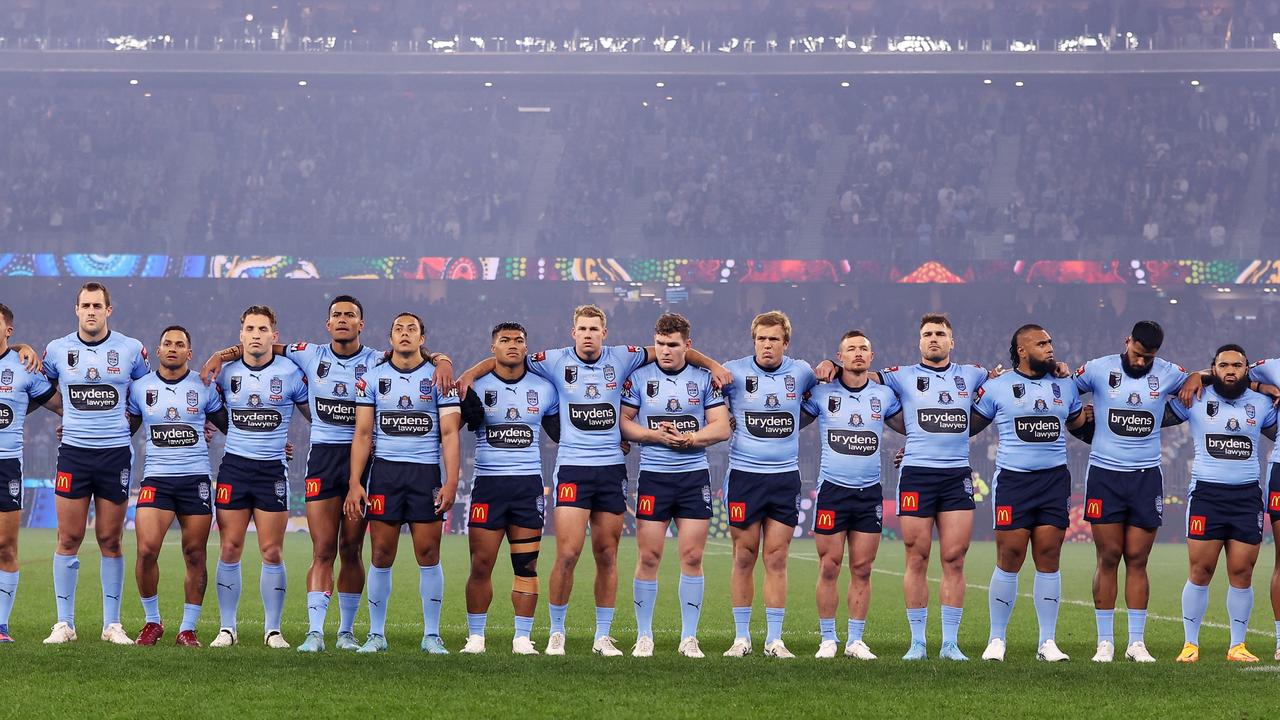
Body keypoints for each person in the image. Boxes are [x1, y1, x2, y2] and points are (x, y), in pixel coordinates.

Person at [456, 304, 727, 656]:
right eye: (582, 329)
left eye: (594, 329)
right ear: (573, 333)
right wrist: (467, 374)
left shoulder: (624, 357)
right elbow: (507, 358)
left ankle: (603, 635)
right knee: (567, 553)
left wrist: (714, 365)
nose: (588, 334)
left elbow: (673, 348)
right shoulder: (552, 360)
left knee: (607, 555)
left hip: (611, 469)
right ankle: (557, 633)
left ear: (604, 333)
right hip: (572, 469)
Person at [201, 294, 454, 652]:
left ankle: (346, 632)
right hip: (322, 459)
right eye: (336, 315)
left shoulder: (376, 360)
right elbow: (263, 343)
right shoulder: (309, 354)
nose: (343, 320)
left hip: (363, 461)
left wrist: (441, 359)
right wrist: (221, 355)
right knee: (323, 549)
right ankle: (315, 632)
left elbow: (411, 351)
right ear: (327, 323)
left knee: (351, 548)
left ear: (361, 325)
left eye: (350, 315)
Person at [344, 312, 461, 654]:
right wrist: (355, 481)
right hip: (386, 474)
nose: (405, 333)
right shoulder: (372, 377)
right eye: (399, 329)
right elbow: (363, 433)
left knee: (428, 553)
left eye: (412, 329)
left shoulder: (439, 379)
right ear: (390, 338)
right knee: (381, 553)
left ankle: (432, 634)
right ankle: (376, 635)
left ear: (422, 338)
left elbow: (450, 433)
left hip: (424, 474)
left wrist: (452, 481)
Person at [1072, 320, 1188, 662]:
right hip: (1105, 475)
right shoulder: (1097, 369)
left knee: (1138, 559)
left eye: (1147, 358)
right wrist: (1079, 414)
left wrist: (1197, 377)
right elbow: (1061, 390)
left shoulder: (1169, 372)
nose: (1140, 362)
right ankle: (1104, 642)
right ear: (1127, 342)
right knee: (1108, 557)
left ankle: (1136, 642)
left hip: (1145, 476)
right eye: (1136, 354)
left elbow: (1200, 384)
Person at [970, 324, 1087, 662]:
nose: (1050, 348)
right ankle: (996, 639)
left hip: (1053, 481)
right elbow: (966, 426)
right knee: (1010, 557)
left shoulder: (1065, 385)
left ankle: (1047, 642)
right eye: (1041, 343)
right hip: (1013, 482)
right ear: (1022, 350)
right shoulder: (997, 387)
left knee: (1049, 557)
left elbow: (1081, 426)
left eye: (1050, 341)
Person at [41, 282, 149, 645]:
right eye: (85, 305)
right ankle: (64, 624)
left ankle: (112, 625)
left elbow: (147, 397)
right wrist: (68, 414)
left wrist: (124, 429)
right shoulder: (57, 350)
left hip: (115, 454)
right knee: (68, 537)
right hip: (73, 453)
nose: (91, 311)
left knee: (110, 539)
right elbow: (43, 389)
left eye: (97, 305)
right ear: (76, 310)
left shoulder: (131, 350)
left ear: (108, 310)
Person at [619, 313, 730, 658]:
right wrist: (653, 436)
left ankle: (688, 638)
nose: (665, 351)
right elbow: (623, 422)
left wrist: (692, 438)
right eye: (661, 344)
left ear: (687, 346)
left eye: (673, 345)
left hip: (693, 477)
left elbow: (722, 427)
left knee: (693, 556)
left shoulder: (703, 379)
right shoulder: (639, 377)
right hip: (653, 477)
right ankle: (644, 636)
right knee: (649, 556)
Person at [1168, 344, 1277, 663]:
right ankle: (1190, 644)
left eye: (1238, 365)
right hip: (1206, 495)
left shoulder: (1262, 403)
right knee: (1200, 570)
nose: (1231, 370)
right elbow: (1155, 415)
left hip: (1246, 497)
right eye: (1224, 365)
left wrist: (1264, 388)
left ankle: (1237, 646)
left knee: (1242, 571)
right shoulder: (1196, 398)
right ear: (1213, 369)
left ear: (1247, 370)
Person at [209, 305, 309, 649]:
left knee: (271, 550)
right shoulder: (225, 373)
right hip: (234, 468)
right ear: (240, 335)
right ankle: (227, 628)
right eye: (250, 328)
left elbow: (316, 417)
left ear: (273, 336)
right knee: (229, 548)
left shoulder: (291, 373)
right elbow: (207, 408)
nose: (255, 334)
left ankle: (273, 630)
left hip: (272, 471)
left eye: (262, 329)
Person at [720, 311, 817, 659]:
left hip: (785, 477)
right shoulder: (733, 371)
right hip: (745, 477)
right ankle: (741, 638)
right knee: (744, 556)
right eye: (761, 338)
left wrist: (829, 365)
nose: (766, 345)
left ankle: (774, 639)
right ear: (753, 340)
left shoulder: (802, 372)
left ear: (785, 343)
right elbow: (703, 395)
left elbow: (827, 390)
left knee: (777, 558)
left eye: (773, 339)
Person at [458, 322, 557, 655]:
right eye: (505, 340)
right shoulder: (475, 386)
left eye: (519, 340)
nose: (512, 344)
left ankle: (522, 638)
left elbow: (564, 432)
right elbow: (449, 428)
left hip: (528, 486)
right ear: (493, 348)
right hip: (488, 485)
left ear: (527, 347)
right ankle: (475, 637)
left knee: (526, 565)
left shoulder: (544, 388)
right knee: (481, 564)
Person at [126, 326, 228, 647]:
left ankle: (188, 628)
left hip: (195, 479)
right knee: (145, 552)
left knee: (194, 554)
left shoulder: (204, 385)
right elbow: (125, 429)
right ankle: (152, 622)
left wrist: (273, 443)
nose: (172, 348)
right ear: (157, 351)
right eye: (167, 344)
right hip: (156, 479)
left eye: (179, 344)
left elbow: (231, 427)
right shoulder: (140, 388)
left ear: (189, 352)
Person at [801, 330, 899, 660]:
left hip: (869, 492)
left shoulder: (884, 396)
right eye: (851, 349)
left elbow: (916, 425)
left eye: (864, 349)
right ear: (839, 357)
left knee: (862, 568)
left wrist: (910, 449)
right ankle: (828, 639)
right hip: (832, 491)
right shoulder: (821, 393)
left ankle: (855, 640)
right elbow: (789, 418)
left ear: (871, 358)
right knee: (829, 567)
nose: (858, 353)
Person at [0, 302, 60, 642]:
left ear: (9, 329)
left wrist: (73, 425)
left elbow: (60, 404)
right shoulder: (24, 354)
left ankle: (1, 625)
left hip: (6, 464)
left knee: (6, 546)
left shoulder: (24, 368)